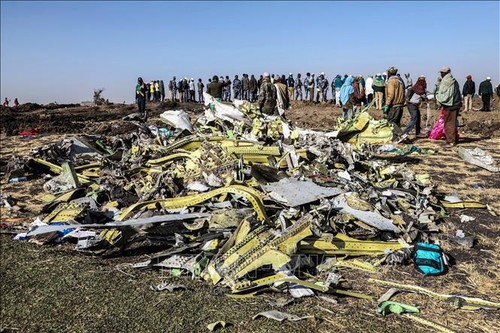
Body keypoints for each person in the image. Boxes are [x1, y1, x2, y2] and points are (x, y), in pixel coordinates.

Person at [435, 66, 462, 146]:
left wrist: (437, 95)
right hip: (456, 103)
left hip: (450, 105)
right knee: (452, 122)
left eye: (441, 73)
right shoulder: (454, 80)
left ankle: (450, 141)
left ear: (444, 73)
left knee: (449, 123)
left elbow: (443, 94)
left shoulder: (445, 81)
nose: (441, 74)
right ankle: (453, 139)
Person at [400, 75, 427, 141]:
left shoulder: (415, 86)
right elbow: (424, 97)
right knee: (414, 118)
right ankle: (405, 132)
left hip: (412, 104)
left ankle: (418, 132)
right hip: (412, 105)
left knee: (418, 117)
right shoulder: (420, 88)